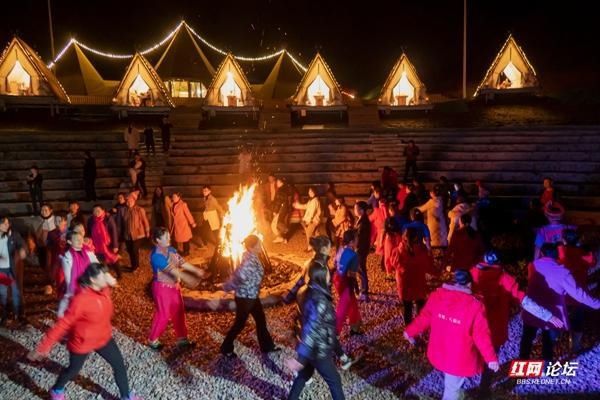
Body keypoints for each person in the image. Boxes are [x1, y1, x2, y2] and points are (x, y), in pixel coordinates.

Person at [28, 263, 142, 400]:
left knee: (119, 365)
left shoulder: (104, 289)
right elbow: (63, 324)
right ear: (93, 280)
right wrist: (44, 347)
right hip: (82, 342)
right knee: (73, 370)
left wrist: (110, 282)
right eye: (103, 275)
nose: (107, 277)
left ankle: (126, 396)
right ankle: (56, 389)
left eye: (107, 273)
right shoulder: (81, 300)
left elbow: (106, 291)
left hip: (103, 338)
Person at [470, 249, 563, 395]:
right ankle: (483, 389)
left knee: (469, 353)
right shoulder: (505, 279)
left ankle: (462, 383)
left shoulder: (472, 274)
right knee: (491, 356)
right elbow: (524, 301)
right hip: (494, 329)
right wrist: (547, 316)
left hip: (472, 326)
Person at [404, 269, 499, 400]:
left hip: (439, 350)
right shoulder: (475, 306)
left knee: (450, 384)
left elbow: (424, 317)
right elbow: (481, 335)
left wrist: (410, 331)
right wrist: (491, 358)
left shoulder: (437, 296)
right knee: (452, 389)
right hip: (458, 357)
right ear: (469, 284)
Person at [519, 243, 600, 361]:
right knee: (548, 342)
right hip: (553, 314)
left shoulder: (532, 266)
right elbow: (580, 295)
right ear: (557, 255)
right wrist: (597, 303)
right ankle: (548, 368)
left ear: (542, 254)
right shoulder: (563, 272)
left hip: (532, 310)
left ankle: (521, 369)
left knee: (527, 339)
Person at [285, 258, 346, 400]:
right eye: (327, 273)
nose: (329, 275)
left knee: (304, 375)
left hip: (310, 349)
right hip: (318, 350)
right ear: (322, 277)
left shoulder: (305, 291)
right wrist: (300, 359)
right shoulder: (320, 301)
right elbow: (311, 329)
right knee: (335, 381)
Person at [220, 235, 279, 358]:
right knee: (240, 324)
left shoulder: (250, 256)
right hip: (245, 298)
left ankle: (267, 346)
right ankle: (226, 347)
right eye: (258, 244)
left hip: (251, 295)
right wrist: (226, 287)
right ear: (251, 247)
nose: (260, 246)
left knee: (260, 320)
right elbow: (239, 276)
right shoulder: (249, 261)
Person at [148, 227, 204, 350]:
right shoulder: (156, 256)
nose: (169, 238)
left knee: (179, 311)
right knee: (163, 314)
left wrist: (196, 270)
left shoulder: (171, 250)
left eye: (169, 235)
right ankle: (153, 340)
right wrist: (187, 278)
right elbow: (172, 270)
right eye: (166, 237)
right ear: (158, 240)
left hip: (174, 287)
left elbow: (182, 262)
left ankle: (182, 339)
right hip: (162, 288)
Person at [559, 229, 597, 353]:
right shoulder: (583, 254)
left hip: (562, 295)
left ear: (564, 240)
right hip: (579, 296)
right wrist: (587, 250)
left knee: (559, 319)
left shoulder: (561, 252)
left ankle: (556, 342)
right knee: (578, 321)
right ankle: (574, 346)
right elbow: (593, 262)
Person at [390, 227, 433, 325]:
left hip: (405, 284)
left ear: (404, 237)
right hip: (418, 282)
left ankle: (409, 328)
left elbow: (393, 263)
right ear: (416, 238)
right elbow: (428, 265)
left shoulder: (397, 251)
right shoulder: (422, 250)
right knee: (420, 304)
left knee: (407, 307)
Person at [58, 230, 99, 316]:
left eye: (81, 239)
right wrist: (72, 289)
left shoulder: (87, 251)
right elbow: (68, 277)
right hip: (75, 285)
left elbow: (96, 263)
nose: (80, 241)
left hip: (87, 283)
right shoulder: (67, 258)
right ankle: (62, 315)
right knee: (70, 302)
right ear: (69, 242)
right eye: (76, 239)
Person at [0, 216, 27, 326]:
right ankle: (5, 314)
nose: (7, 225)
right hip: (1, 271)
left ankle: (19, 314)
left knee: (16, 291)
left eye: (8, 223)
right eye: (4, 224)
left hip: (10, 269)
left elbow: (22, 244)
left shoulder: (13, 234)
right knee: (3, 293)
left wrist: (22, 249)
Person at [333, 230, 362, 335]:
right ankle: (350, 329)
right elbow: (352, 275)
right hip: (346, 282)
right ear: (351, 242)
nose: (358, 240)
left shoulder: (340, 249)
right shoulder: (354, 255)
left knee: (346, 304)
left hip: (337, 279)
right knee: (350, 305)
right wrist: (355, 288)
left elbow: (335, 263)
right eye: (356, 238)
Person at [88, 205, 121, 278]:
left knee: (113, 258)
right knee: (100, 260)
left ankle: (119, 275)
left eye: (98, 210)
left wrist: (115, 245)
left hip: (108, 244)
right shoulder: (91, 220)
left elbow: (114, 231)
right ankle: (104, 276)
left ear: (103, 211)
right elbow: (89, 232)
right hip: (96, 244)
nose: (96, 212)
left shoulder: (108, 218)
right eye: (94, 210)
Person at [124, 195, 149, 271]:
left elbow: (145, 221)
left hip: (138, 234)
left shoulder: (139, 209)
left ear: (134, 201)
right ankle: (133, 265)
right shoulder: (126, 210)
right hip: (128, 234)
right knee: (130, 250)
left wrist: (147, 231)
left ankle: (136, 266)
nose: (129, 202)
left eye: (130, 201)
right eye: (127, 201)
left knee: (134, 249)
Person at [46, 213, 69, 300]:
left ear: (65, 221)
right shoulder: (51, 233)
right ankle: (61, 298)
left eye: (61, 220)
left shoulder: (70, 232)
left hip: (69, 260)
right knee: (60, 278)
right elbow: (48, 246)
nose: (58, 222)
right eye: (57, 220)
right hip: (57, 259)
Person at [293, 187, 322, 252]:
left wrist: (308, 221)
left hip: (313, 220)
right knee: (315, 233)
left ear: (314, 192)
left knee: (309, 232)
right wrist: (297, 205)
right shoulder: (311, 201)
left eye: (311, 191)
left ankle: (310, 247)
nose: (309, 193)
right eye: (309, 191)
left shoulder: (315, 201)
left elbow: (312, 212)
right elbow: (305, 206)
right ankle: (321, 244)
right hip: (313, 220)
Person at [35, 204, 56, 295]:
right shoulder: (38, 221)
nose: (43, 212)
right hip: (41, 246)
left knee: (49, 265)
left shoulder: (55, 220)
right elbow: (35, 233)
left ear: (51, 210)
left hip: (51, 247)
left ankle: (49, 284)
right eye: (42, 210)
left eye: (46, 210)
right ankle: (50, 281)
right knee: (43, 264)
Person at [382, 202, 405, 279]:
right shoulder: (401, 219)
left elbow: (384, 230)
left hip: (391, 237)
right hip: (397, 237)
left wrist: (381, 241)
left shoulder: (389, 220)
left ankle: (390, 271)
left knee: (389, 254)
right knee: (396, 254)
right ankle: (395, 270)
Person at [354, 201, 371, 301]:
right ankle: (364, 289)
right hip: (361, 248)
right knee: (361, 269)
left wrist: (355, 247)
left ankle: (364, 292)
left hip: (361, 249)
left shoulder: (364, 222)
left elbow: (360, 238)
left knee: (361, 270)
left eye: (356, 209)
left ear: (362, 210)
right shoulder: (361, 220)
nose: (354, 211)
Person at [271, 177, 290, 244]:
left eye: (278, 182)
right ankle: (284, 239)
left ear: (282, 183)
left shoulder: (281, 190)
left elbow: (278, 201)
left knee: (274, 224)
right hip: (284, 208)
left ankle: (282, 235)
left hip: (281, 209)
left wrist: (275, 211)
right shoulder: (285, 189)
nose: (277, 183)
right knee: (277, 223)